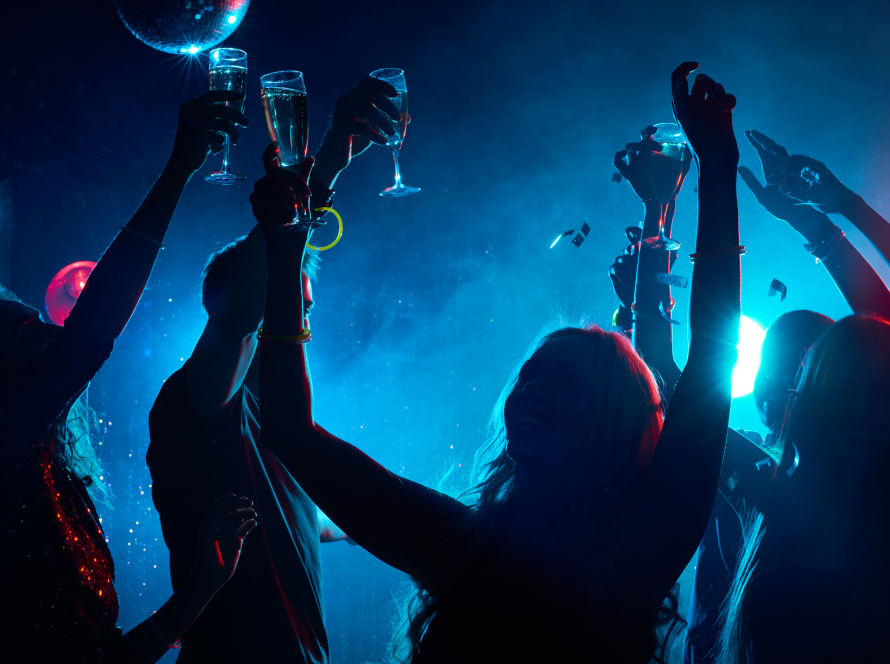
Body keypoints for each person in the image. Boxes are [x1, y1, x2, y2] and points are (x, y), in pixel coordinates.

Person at [248, 61, 741, 664]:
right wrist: (285, 245)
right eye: (530, 379)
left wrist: (719, 170)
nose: (532, 393)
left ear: (616, 422)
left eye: (566, 383)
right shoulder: (463, 545)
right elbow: (290, 434)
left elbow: (713, 358)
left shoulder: (638, 547)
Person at [147, 76, 402, 664]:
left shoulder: (279, 417)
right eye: (285, 295)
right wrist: (328, 166)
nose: (296, 315)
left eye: (303, 305)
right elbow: (241, 314)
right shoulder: (198, 399)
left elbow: (322, 517)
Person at [0, 91, 258, 662]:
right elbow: (91, 332)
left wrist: (201, 586)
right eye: (23, 335)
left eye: (42, 323)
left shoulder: (51, 476)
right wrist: (178, 170)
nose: (51, 333)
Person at [674, 132, 890, 663]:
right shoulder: (770, 492)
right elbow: (686, 367)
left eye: (879, 392)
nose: (860, 407)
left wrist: (830, 212)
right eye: (841, 387)